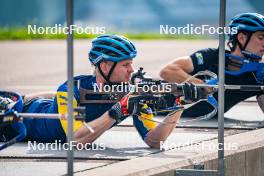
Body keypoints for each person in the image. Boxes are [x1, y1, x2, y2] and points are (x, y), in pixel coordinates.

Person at [1, 34, 204, 148]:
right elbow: (76, 139)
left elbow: (154, 140)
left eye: (131, 64)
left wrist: (179, 106)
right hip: (17, 117)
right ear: (105, 66)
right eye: (125, 65)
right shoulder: (72, 88)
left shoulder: (130, 92)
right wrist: (117, 111)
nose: (131, 70)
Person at [159, 13, 264, 119]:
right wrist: (202, 85)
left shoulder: (258, 75)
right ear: (241, 38)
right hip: (156, 114)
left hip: (191, 124)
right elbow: (167, 71)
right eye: (261, 38)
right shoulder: (210, 56)